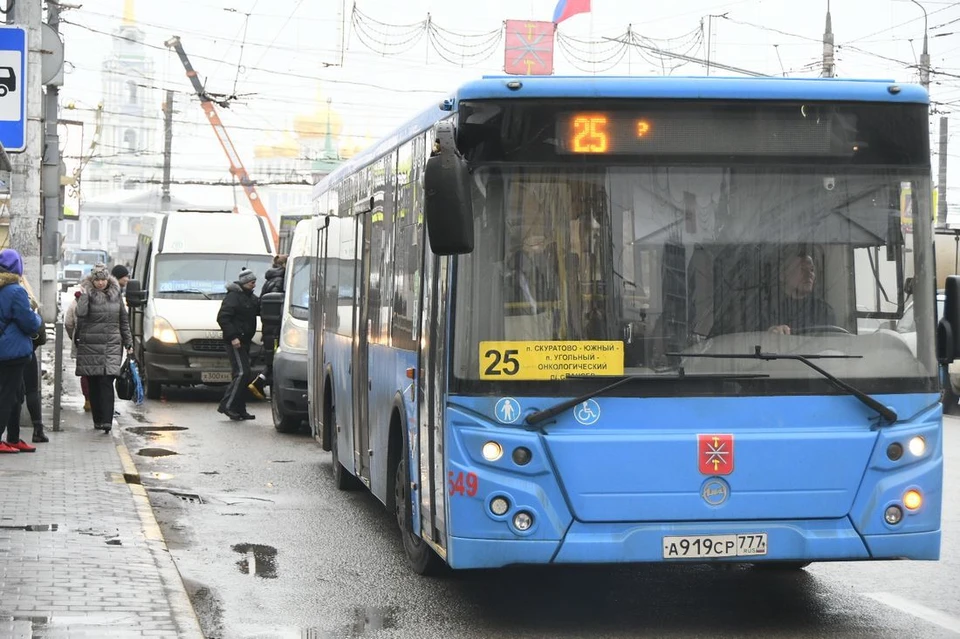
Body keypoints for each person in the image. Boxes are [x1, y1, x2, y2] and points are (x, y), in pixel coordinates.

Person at [74, 263, 133, 433]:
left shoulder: (116, 295)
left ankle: (107, 421)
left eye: (103, 279)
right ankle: (98, 420)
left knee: (107, 381)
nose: (100, 283)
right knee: (94, 383)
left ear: (108, 279)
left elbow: (123, 321)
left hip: (112, 345)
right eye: (97, 280)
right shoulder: (87, 294)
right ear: (92, 280)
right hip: (90, 345)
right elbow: (81, 313)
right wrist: (84, 296)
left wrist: (128, 342)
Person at [0, 249, 42, 454]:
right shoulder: (15, 291)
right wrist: (37, 317)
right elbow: (29, 323)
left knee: (17, 396)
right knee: (7, 397)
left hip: (6, 351)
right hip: (12, 352)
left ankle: (14, 438)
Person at [217, 267, 260, 421]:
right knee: (242, 373)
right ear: (244, 282)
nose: (254, 285)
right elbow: (223, 318)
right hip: (235, 342)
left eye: (255, 282)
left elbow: (260, 308)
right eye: (252, 282)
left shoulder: (251, 297)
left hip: (245, 341)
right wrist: (233, 337)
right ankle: (227, 405)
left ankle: (240, 409)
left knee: (244, 374)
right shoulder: (233, 297)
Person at [766, 250, 837, 335]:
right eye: (802, 269)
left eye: (812, 270)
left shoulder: (823, 311)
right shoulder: (765, 309)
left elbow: (829, 344)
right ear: (782, 275)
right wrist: (771, 334)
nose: (809, 274)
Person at [64, 291, 92, 412]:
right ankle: (98, 400)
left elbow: (68, 323)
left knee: (84, 373)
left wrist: (73, 337)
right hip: (98, 343)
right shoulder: (98, 302)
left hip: (81, 342)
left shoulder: (74, 303)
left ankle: (88, 400)